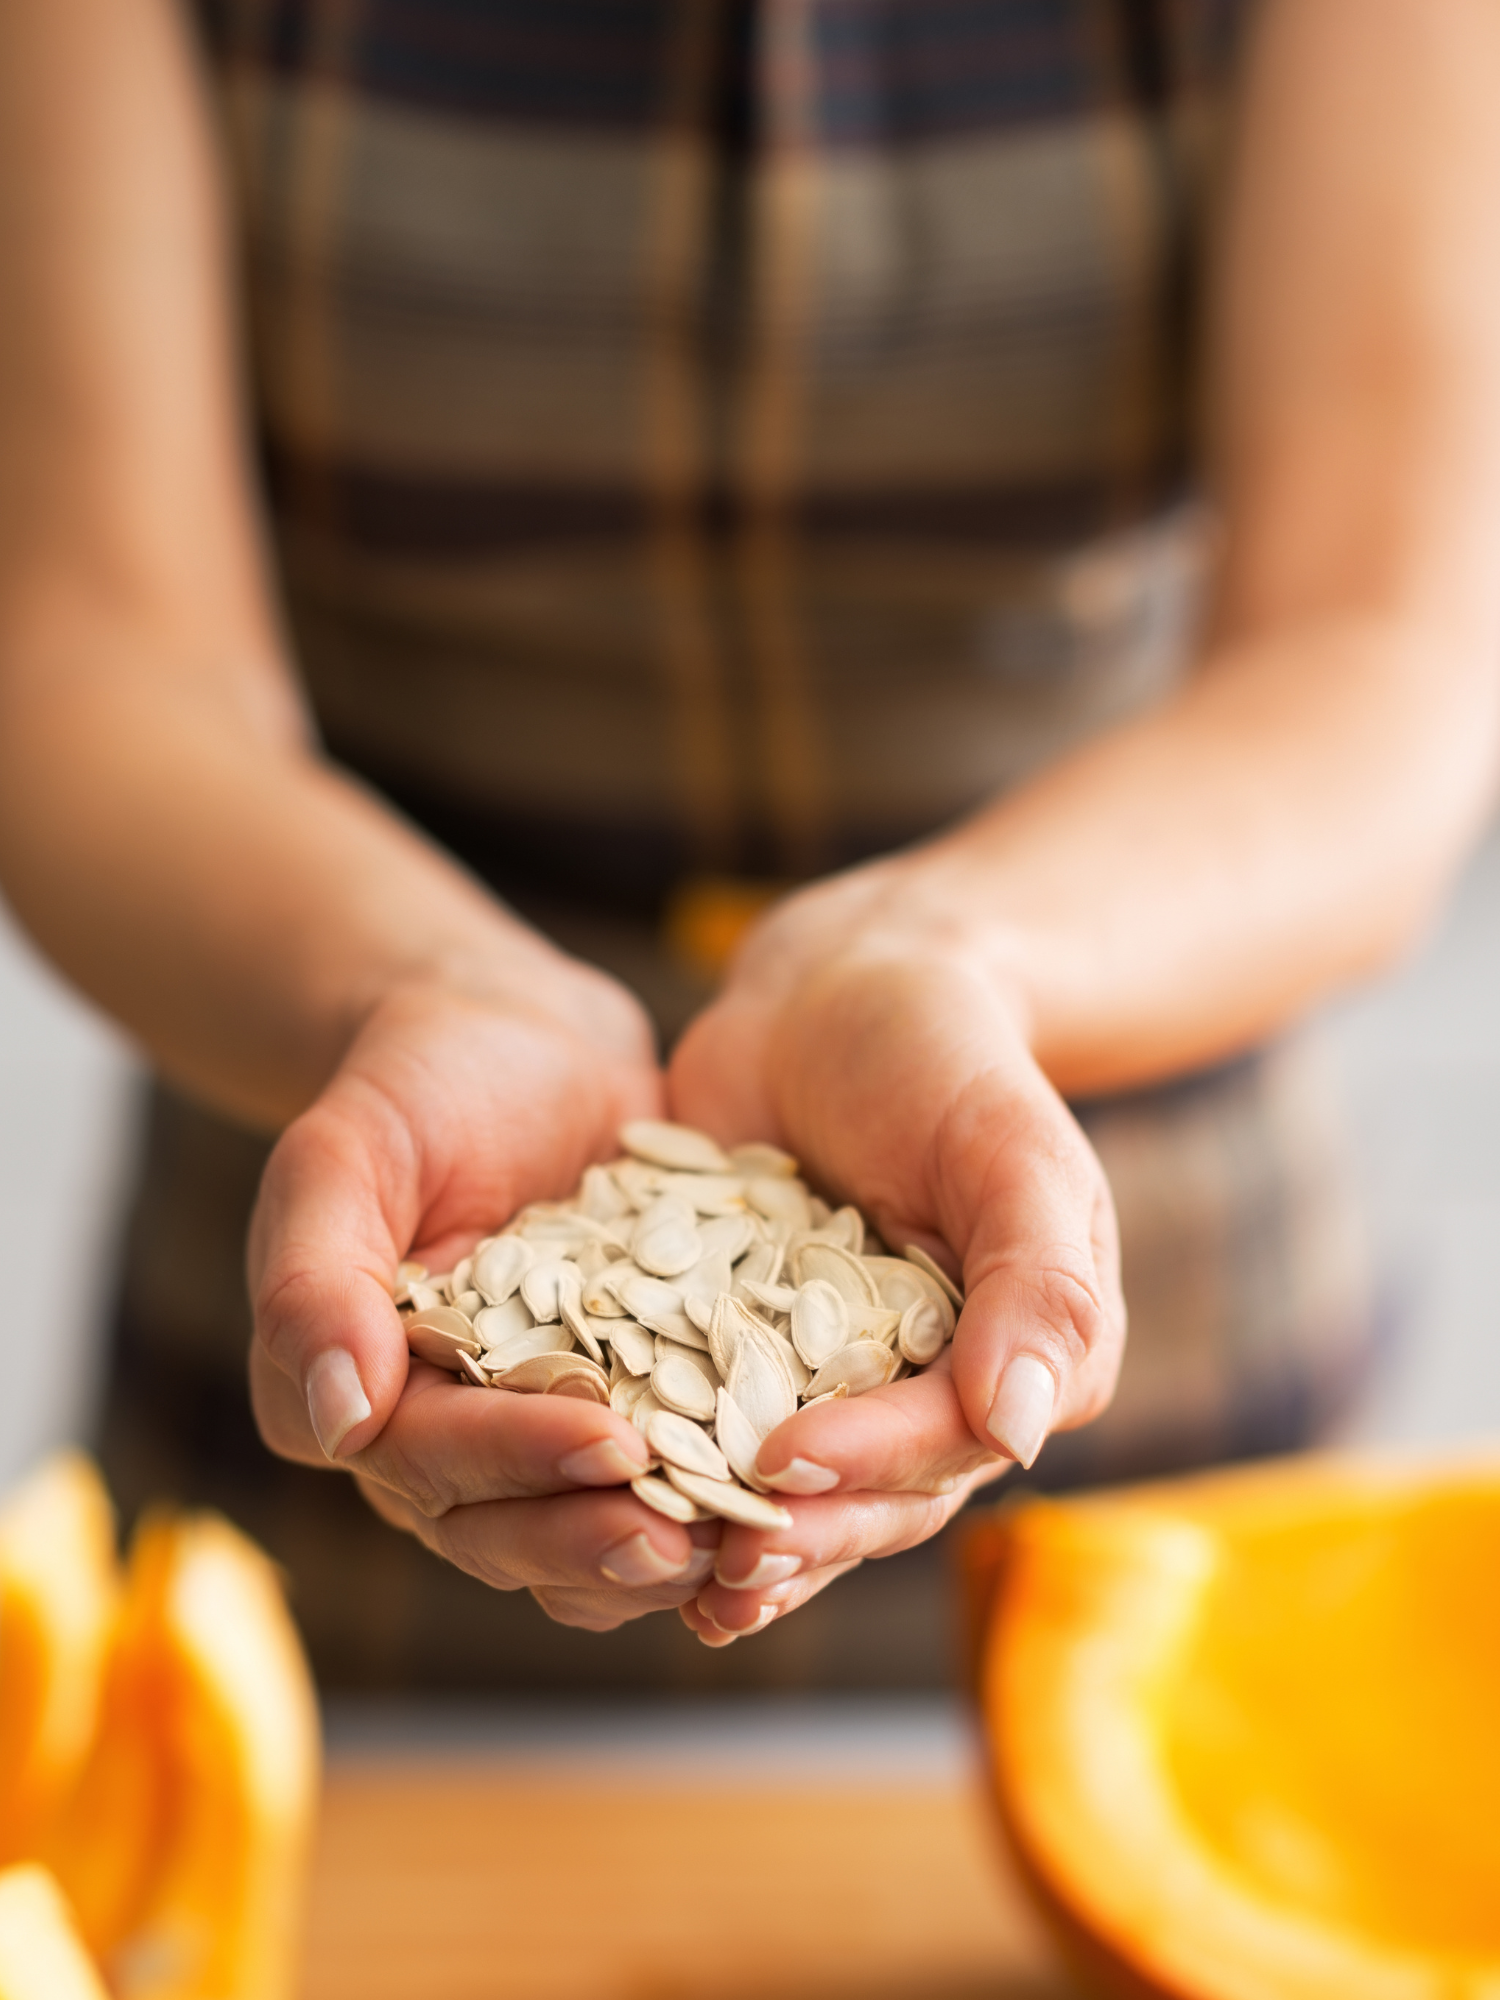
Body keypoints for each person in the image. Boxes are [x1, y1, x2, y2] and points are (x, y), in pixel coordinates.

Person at [0, 0, 1497, 1673]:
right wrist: (414, 983)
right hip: (352, 1319)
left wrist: (954, 961)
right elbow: (93, 654)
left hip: (1142, 1374)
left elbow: (1378, 647)